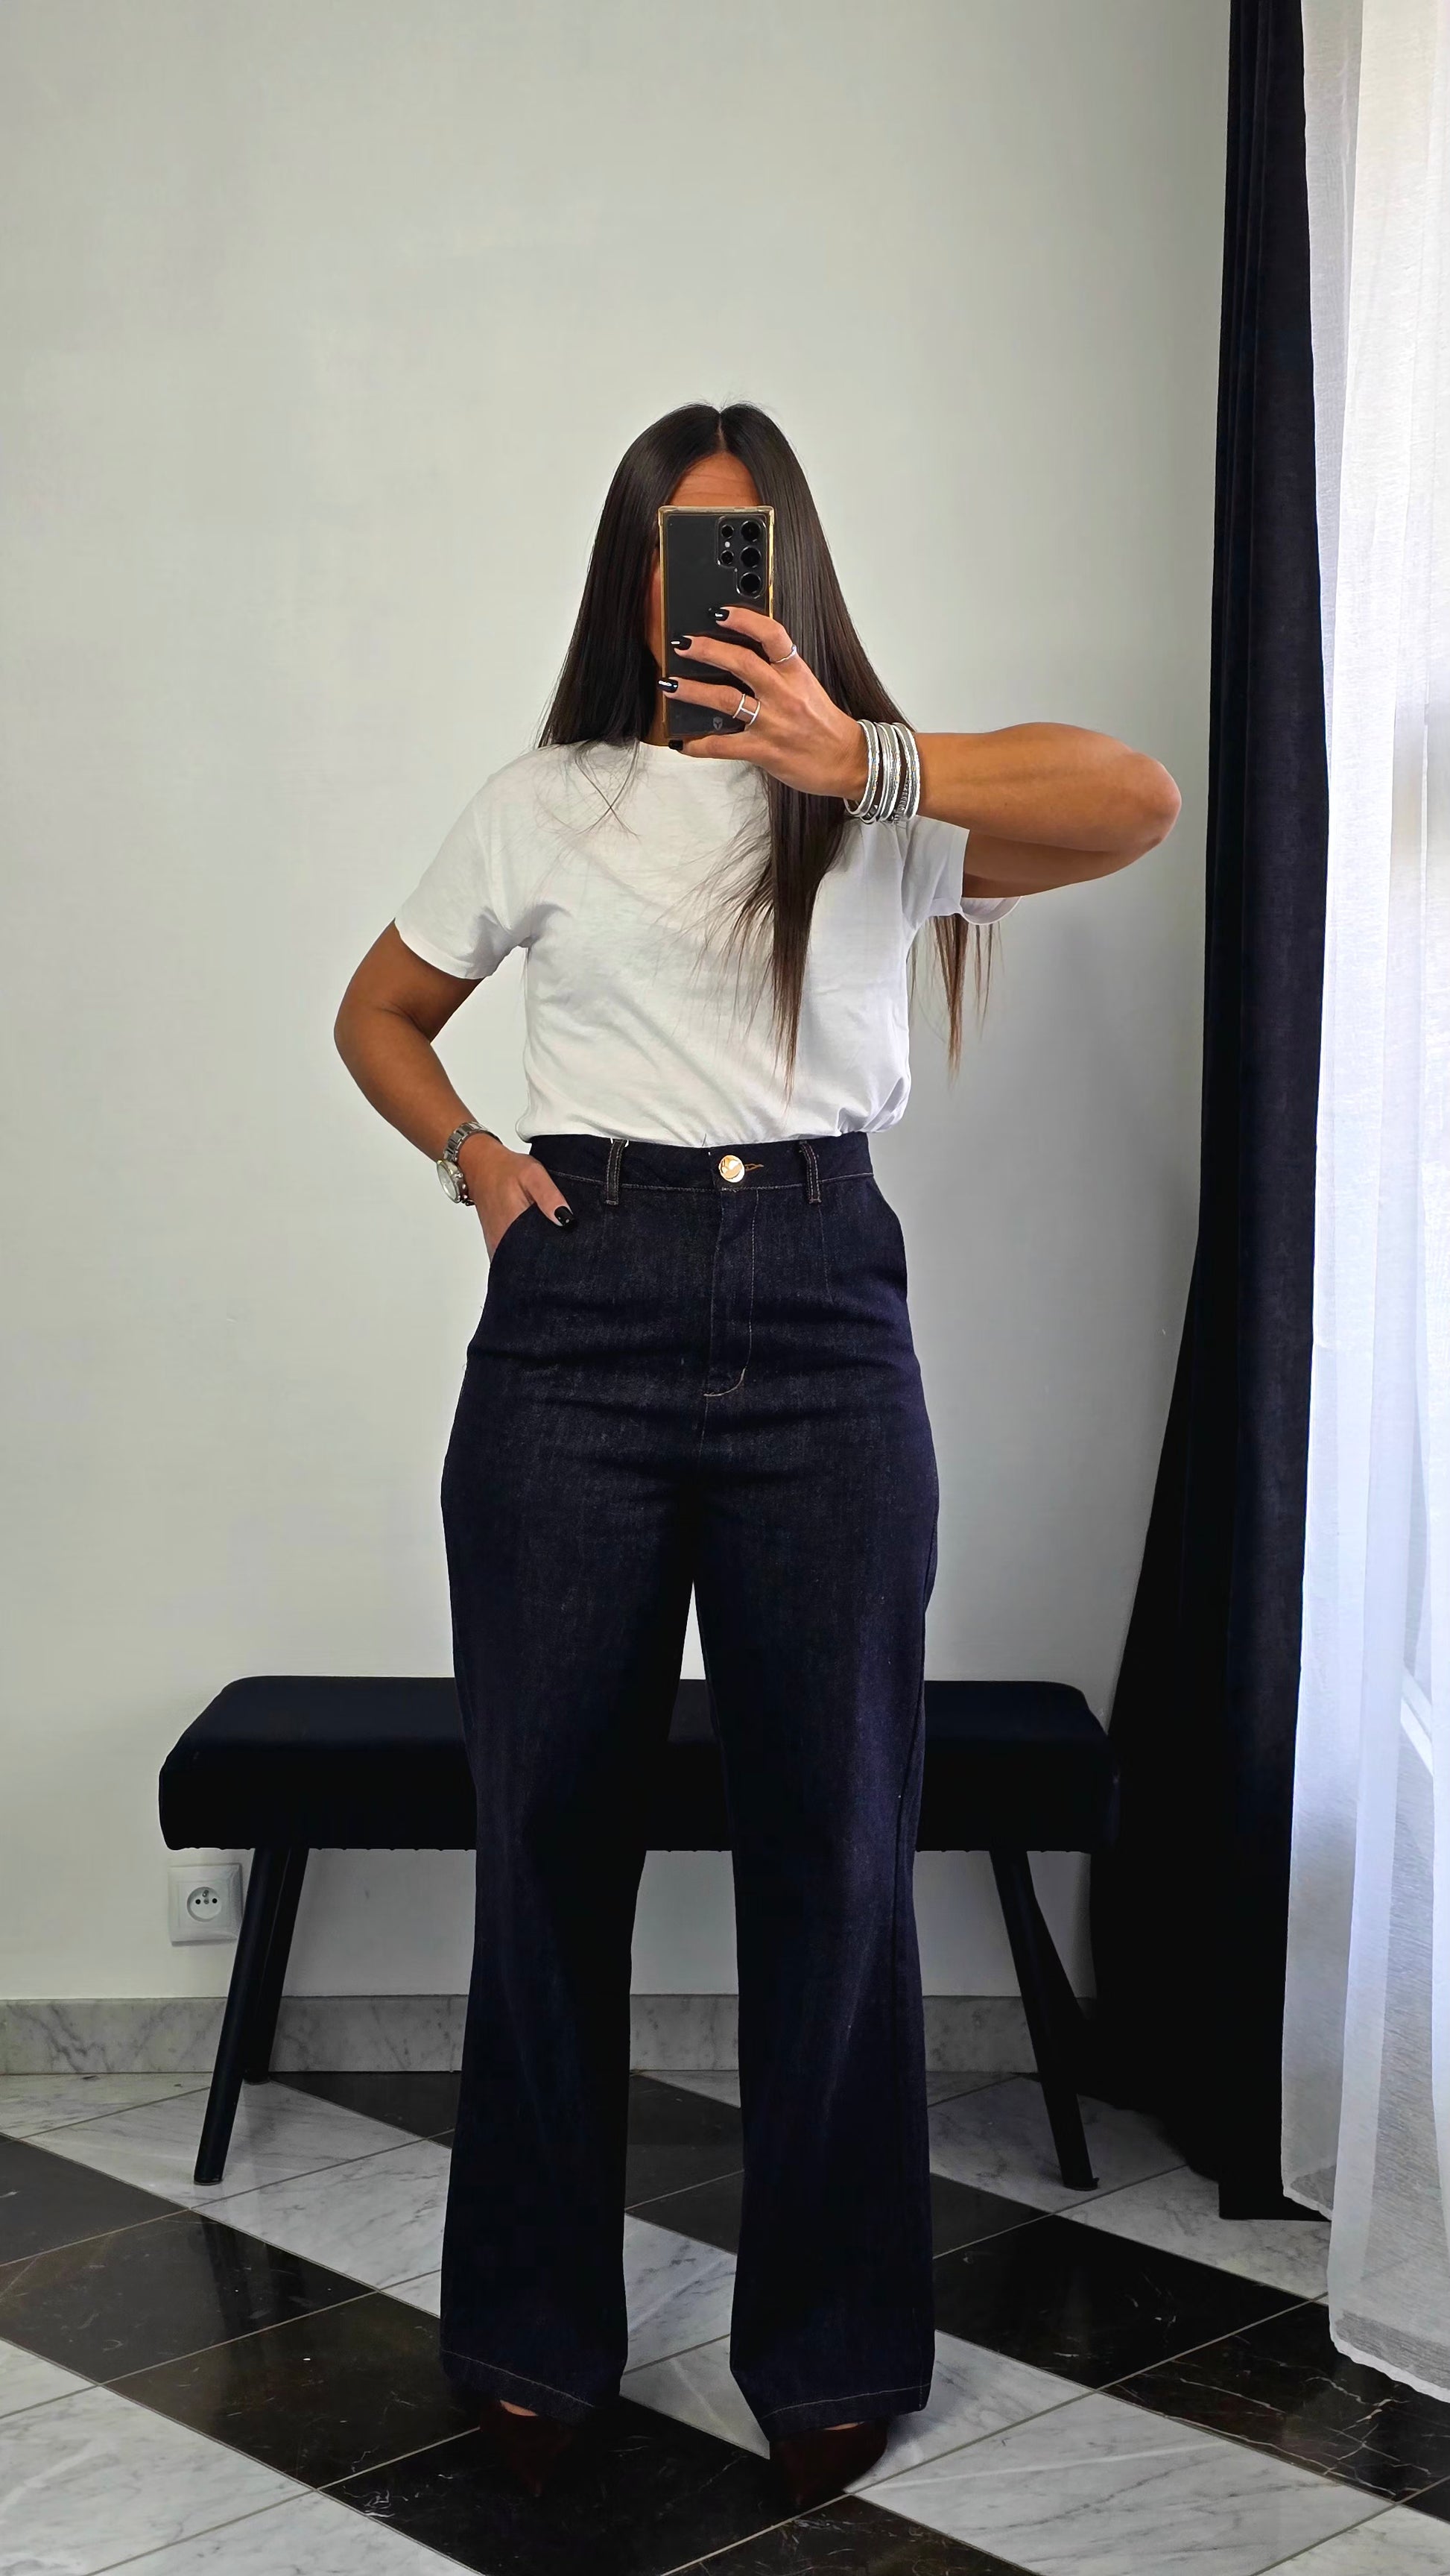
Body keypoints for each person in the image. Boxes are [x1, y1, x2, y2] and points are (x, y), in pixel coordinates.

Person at [334, 400, 1180, 2510]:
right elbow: (376, 1012)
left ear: (793, 570)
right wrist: (475, 1158)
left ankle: (831, 2341)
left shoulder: (878, 801)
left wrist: (856, 757)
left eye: (742, 547)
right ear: (628, 580)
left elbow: (1139, 801)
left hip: (821, 1316)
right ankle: (530, 2320)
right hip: (578, 1321)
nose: (704, 584)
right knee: (547, 1840)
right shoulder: (545, 798)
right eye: (671, 548)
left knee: (838, 1845)